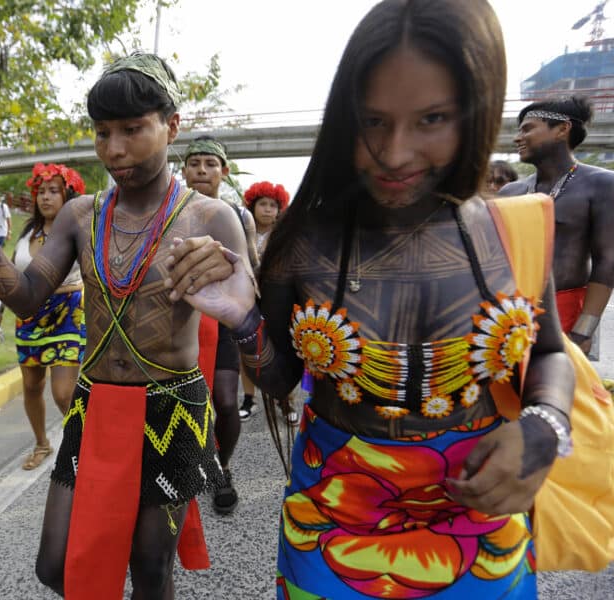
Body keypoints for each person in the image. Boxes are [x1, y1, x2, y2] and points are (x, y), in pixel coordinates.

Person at [166, 1, 574, 597]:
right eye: (373, 121)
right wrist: (242, 318)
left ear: (474, 112)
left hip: (482, 511)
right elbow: (280, 378)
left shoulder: (516, 231)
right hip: (334, 510)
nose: (395, 151)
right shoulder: (303, 242)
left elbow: (550, 355)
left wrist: (543, 427)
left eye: (431, 118)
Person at [0, 53, 246, 599]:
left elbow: (248, 316)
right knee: (56, 565)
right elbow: (28, 298)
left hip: (171, 407)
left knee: (151, 568)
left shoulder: (209, 218)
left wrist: (242, 299)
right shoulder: (83, 214)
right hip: (94, 404)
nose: (115, 149)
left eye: (133, 130)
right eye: (103, 133)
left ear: (170, 126)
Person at [499, 95, 614, 359]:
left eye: (527, 128)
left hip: (567, 311)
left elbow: (607, 261)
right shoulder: (510, 192)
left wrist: (584, 330)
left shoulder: (601, 184)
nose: (518, 137)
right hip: (509, 313)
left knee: (560, 395)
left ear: (562, 129)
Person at [0, 162, 87, 470]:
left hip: (68, 312)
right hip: (29, 315)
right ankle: (42, 443)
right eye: (41, 191)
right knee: (31, 386)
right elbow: (12, 275)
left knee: (63, 392)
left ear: (67, 195)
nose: (45, 197)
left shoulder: (77, 230)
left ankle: (83, 448)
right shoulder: (26, 233)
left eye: (54, 191)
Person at [181, 135, 257, 516]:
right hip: (179, 319)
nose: (201, 170)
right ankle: (176, 471)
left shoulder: (240, 216)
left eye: (210, 164)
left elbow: (252, 267)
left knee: (225, 401)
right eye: (194, 163)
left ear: (224, 172)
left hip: (223, 319)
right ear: (183, 170)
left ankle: (220, 469)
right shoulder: (168, 212)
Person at [237, 180, 289, 421]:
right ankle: (249, 400)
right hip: (247, 299)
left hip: (276, 301)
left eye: (273, 205)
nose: (268, 209)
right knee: (246, 349)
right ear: (252, 205)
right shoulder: (238, 230)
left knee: (280, 350)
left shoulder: (285, 235)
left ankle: (285, 400)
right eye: (263, 204)